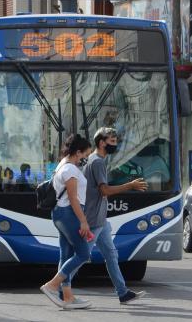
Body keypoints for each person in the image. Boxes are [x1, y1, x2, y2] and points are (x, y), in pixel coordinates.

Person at [83, 127, 148, 304]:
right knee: (80, 256)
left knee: (111, 254)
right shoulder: (97, 162)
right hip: (94, 219)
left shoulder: (96, 160)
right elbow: (104, 190)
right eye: (112, 141)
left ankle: (123, 292)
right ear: (101, 143)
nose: (115, 144)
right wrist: (130, 185)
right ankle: (58, 286)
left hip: (100, 219)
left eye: (116, 141)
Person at [40, 134, 94, 310]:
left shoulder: (62, 164)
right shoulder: (70, 169)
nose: (85, 159)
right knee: (84, 254)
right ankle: (52, 285)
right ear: (78, 152)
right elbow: (73, 198)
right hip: (69, 213)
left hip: (60, 214)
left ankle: (68, 296)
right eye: (85, 155)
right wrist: (83, 221)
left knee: (66, 255)